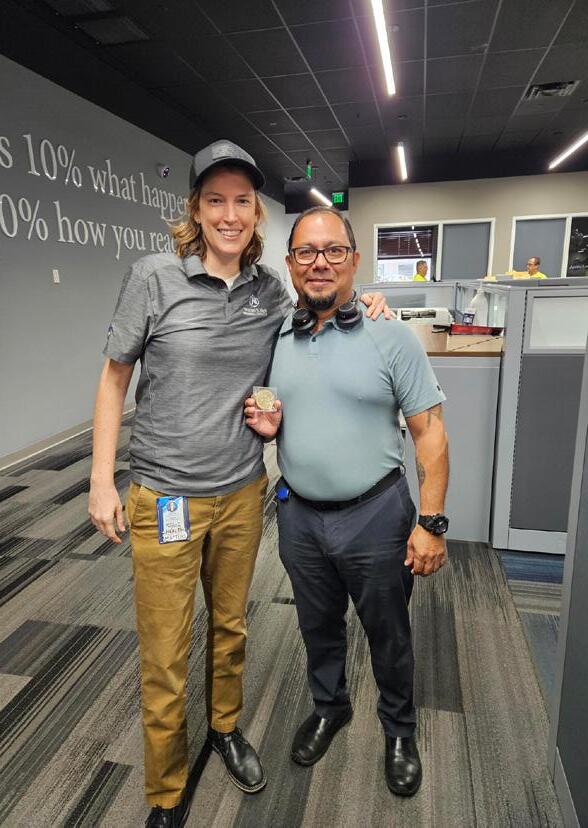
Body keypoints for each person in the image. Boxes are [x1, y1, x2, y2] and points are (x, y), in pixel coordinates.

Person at [88, 142, 389, 827]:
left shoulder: (270, 292)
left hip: (242, 494)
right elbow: (113, 379)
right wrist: (101, 479)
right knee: (165, 651)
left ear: (257, 214)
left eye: (243, 202)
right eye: (215, 200)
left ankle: (225, 728)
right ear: (195, 209)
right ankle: (167, 791)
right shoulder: (153, 277)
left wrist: (370, 300)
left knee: (230, 628)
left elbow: (324, 309)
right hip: (165, 495)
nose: (229, 214)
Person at [244, 206, 449, 799]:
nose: (320, 263)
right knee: (317, 626)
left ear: (355, 260)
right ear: (290, 265)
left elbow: (431, 433)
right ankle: (330, 707)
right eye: (306, 252)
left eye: (333, 250)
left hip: (376, 516)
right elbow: (271, 403)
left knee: (388, 631)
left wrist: (431, 523)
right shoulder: (275, 338)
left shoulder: (392, 336)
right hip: (299, 516)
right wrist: (269, 422)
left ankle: (399, 729)